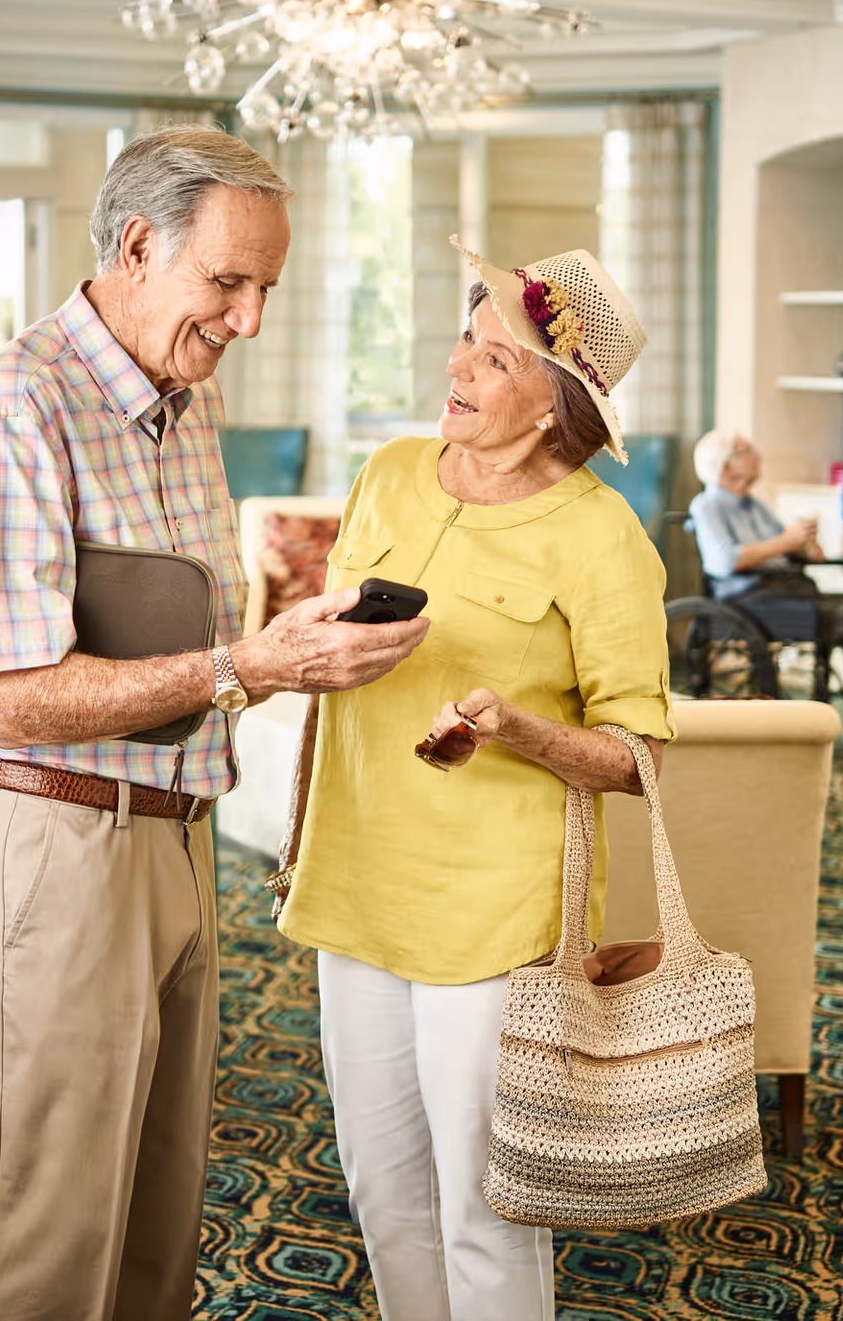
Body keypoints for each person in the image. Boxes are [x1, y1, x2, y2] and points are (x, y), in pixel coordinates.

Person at [0, 126, 430, 1321]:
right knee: (47, 1231)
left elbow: (175, 640)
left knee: (157, 1220)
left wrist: (283, 646)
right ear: (139, 246)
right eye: (228, 282)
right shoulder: (11, 408)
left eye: (267, 289)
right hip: (54, 844)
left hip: (174, 836)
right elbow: (6, 694)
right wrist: (250, 662)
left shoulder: (183, 404)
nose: (249, 318)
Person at [270, 241, 674, 1321]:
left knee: (485, 1210)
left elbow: (641, 756)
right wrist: (302, 818)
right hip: (357, 881)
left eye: (498, 359)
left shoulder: (603, 537)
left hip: (494, 907)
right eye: (466, 338)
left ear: (555, 408)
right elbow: (331, 673)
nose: (460, 365)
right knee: (381, 1185)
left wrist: (521, 730)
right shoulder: (390, 470)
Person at [689, 428, 843, 748]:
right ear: (725, 466)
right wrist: (785, 541)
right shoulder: (707, 505)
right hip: (749, 601)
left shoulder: (755, 505)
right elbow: (723, 562)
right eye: (746, 450)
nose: (758, 455)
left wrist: (805, 545)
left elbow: (787, 546)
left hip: (789, 591)